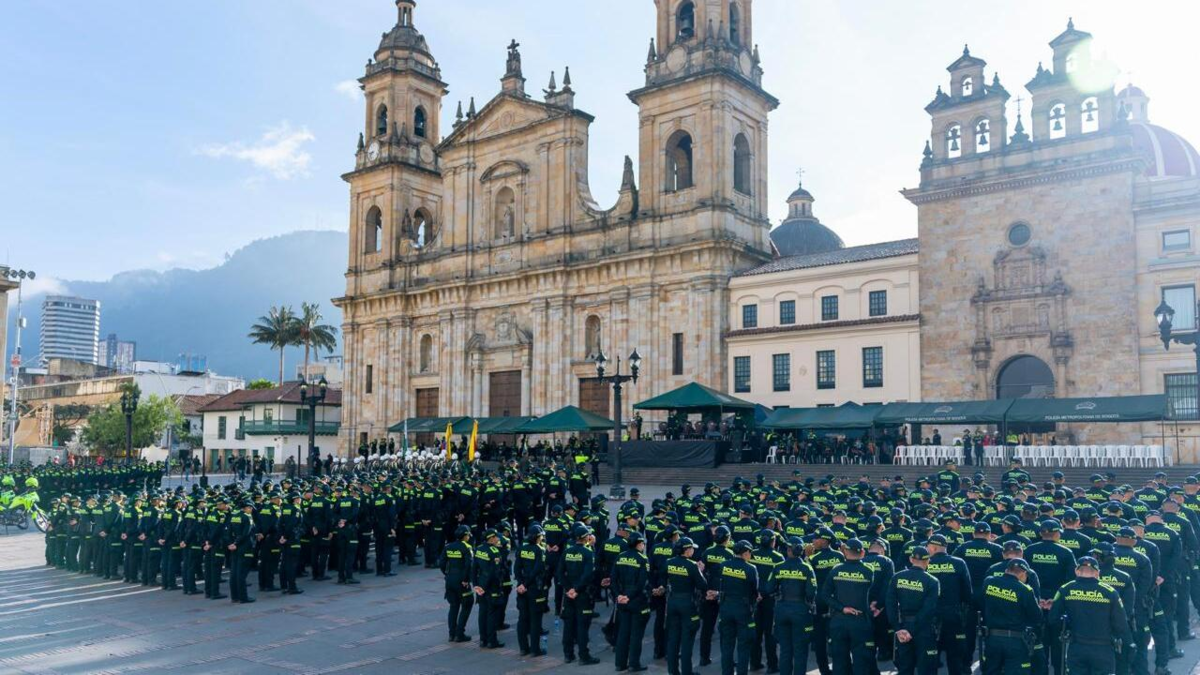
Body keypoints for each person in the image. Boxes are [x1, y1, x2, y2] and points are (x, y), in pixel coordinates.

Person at [1048, 556, 1134, 675]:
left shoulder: (1065, 589)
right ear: (1098, 573)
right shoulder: (1110, 592)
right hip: (1103, 649)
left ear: (1076, 571)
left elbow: (1053, 619)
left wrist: (1067, 628)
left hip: (1076, 646)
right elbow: (1121, 624)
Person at [821, 538, 882, 675]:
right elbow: (872, 591)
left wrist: (842, 608)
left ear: (845, 552)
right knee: (861, 661)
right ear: (862, 553)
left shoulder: (836, 570)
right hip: (860, 621)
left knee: (839, 662)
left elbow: (824, 595)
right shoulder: (868, 570)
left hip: (839, 620)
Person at [981, 559, 1044, 675]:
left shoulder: (989, 582)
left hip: (992, 638)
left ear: (1006, 570)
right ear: (1023, 573)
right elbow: (1037, 617)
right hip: (1015, 641)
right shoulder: (1025, 590)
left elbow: (982, 603)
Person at [886, 546, 939, 675]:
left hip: (903, 627)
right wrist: (911, 629)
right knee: (926, 668)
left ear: (911, 559)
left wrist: (898, 628)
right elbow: (928, 609)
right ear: (928, 561)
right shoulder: (932, 581)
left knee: (904, 668)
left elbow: (890, 604)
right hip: (923, 629)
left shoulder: (897, 577)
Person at [770, 536, 817, 675]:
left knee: (785, 649)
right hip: (801, 610)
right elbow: (811, 591)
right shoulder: (807, 568)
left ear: (788, 550)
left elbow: (768, 588)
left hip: (782, 609)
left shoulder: (778, 567)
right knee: (800, 650)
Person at [559, 523, 600, 665]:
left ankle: (568, 654)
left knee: (568, 625)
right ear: (586, 538)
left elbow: (559, 573)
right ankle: (584, 656)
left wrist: (569, 588)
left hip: (569, 594)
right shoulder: (588, 553)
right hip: (582, 594)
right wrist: (576, 589)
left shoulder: (567, 552)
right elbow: (588, 575)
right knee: (582, 626)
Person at [718, 540, 760, 675]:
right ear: (745, 552)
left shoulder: (723, 565)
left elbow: (720, 584)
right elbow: (755, 590)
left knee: (727, 646)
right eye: (750, 553)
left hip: (725, 607)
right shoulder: (750, 568)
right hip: (743, 609)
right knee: (744, 646)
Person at [611, 530, 651, 671]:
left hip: (622, 600)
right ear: (638, 544)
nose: (643, 546)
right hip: (636, 600)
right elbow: (641, 583)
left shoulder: (620, 557)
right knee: (636, 635)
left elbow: (613, 579)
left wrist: (619, 595)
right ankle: (634, 664)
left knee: (623, 633)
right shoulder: (642, 559)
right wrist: (629, 596)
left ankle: (620, 664)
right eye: (642, 543)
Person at [514, 525, 547, 657]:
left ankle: (523, 648)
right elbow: (537, 570)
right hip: (534, 589)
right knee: (535, 619)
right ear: (536, 537)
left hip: (521, 589)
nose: (542, 538)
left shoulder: (521, 549)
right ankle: (535, 650)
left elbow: (516, 569)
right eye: (541, 536)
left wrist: (521, 583)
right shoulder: (540, 550)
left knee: (522, 618)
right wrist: (527, 584)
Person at [439, 525, 474, 643]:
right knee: (467, 604)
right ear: (465, 536)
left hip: (450, 580)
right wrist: (466, 579)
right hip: (461, 581)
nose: (469, 536)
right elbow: (469, 565)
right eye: (468, 534)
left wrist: (447, 574)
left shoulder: (448, 546)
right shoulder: (467, 547)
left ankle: (451, 634)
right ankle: (460, 634)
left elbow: (442, 563)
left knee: (453, 606)